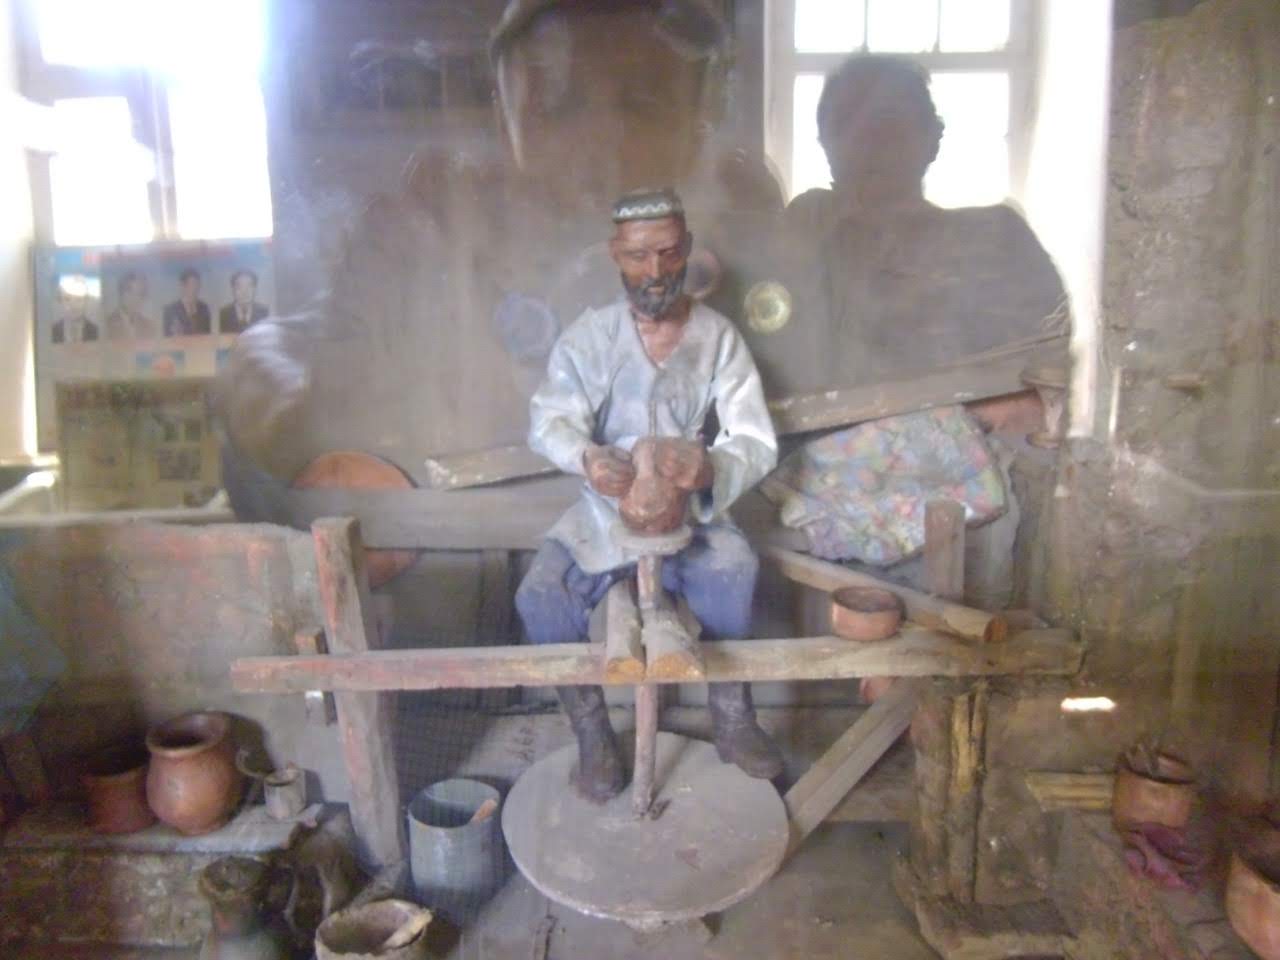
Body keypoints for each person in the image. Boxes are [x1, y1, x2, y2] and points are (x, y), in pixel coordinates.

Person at [214, 0, 783, 497]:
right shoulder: (426, 237)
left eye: (643, 102)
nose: (603, 136)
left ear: (699, 118)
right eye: (560, 102)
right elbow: (271, 368)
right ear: (504, 112)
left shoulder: (745, 240)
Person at [513, 189, 782, 802]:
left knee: (735, 568)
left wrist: (709, 468)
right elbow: (550, 420)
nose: (655, 271)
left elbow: (755, 438)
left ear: (687, 250)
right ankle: (591, 734)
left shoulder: (718, 337)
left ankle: (733, 718)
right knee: (540, 595)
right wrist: (587, 458)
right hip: (605, 510)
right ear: (616, 255)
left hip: (688, 511)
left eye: (668, 253)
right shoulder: (591, 337)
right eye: (638, 257)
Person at [769, 54, 1066, 391]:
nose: (866, 142)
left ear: (932, 137)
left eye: (887, 122)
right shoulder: (804, 242)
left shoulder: (999, 241)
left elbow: (1046, 381)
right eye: (845, 123)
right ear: (824, 141)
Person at [105, 272, 158, 341]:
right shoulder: (106, 324)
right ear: (120, 293)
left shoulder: (150, 326)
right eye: (130, 292)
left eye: (140, 294)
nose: (135, 299)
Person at [163, 268, 212, 336]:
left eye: (197, 285)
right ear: (182, 286)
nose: (195, 290)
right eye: (192, 285)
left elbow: (208, 335)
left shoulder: (204, 309)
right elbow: (167, 337)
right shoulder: (170, 311)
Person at [218, 270, 269, 334]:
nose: (244, 291)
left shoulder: (263, 311)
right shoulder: (224, 313)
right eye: (239, 287)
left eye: (249, 286)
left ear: (255, 289)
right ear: (233, 289)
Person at [51, 276, 99, 343]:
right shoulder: (52, 331)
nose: (73, 305)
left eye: (79, 299)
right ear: (60, 301)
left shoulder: (95, 331)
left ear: (86, 301)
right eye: (67, 299)